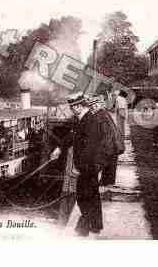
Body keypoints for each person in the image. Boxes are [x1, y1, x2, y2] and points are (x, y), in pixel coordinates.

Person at [50, 92, 107, 237]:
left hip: (87, 167)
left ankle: (82, 231)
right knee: (93, 196)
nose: (72, 109)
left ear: (80, 106)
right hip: (91, 166)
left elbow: (90, 149)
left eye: (73, 106)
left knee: (84, 198)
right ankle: (96, 225)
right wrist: (60, 148)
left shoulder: (89, 122)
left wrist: (78, 167)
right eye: (71, 106)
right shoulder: (85, 119)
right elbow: (73, 135)